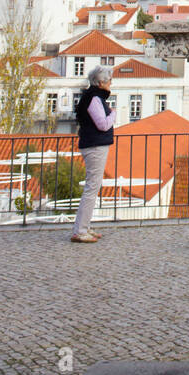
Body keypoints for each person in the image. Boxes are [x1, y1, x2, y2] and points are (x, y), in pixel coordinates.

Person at [70, 64, 114, 244]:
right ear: (101, 82)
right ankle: (80, 230)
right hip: (95, 145)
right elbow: (103, 124)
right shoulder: (94, 99)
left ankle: (84, 227)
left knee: (92, 187)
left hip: (93, 144)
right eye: (110, 80)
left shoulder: (91, 97)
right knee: (91, 188)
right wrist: (114, 114)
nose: (111, 83)